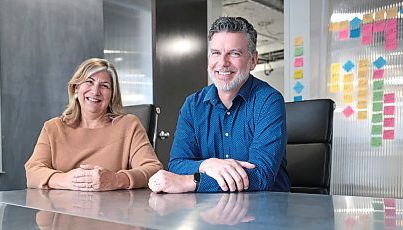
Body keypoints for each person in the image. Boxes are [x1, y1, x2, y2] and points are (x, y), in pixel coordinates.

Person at [148, 17, 290, 193]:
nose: (223, 62)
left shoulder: (269, 101)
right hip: (210, 211)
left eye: (234, 53)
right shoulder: (193, 105)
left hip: (264, 212)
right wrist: (207, 165)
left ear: (253, 60)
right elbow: (177, 164)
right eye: (216, 52)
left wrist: (192, 181)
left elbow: (261, 177)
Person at [26, 58, 162, 191]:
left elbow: (153, 170)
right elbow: (33, 172)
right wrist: (67, 181)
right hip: (59, 210)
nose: (95, 91)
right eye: (89, 82)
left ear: (112, 95)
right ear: (75, 88)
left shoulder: (129, 125)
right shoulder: (53, 128)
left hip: (113, 211)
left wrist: (115, 180)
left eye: (104, 85)